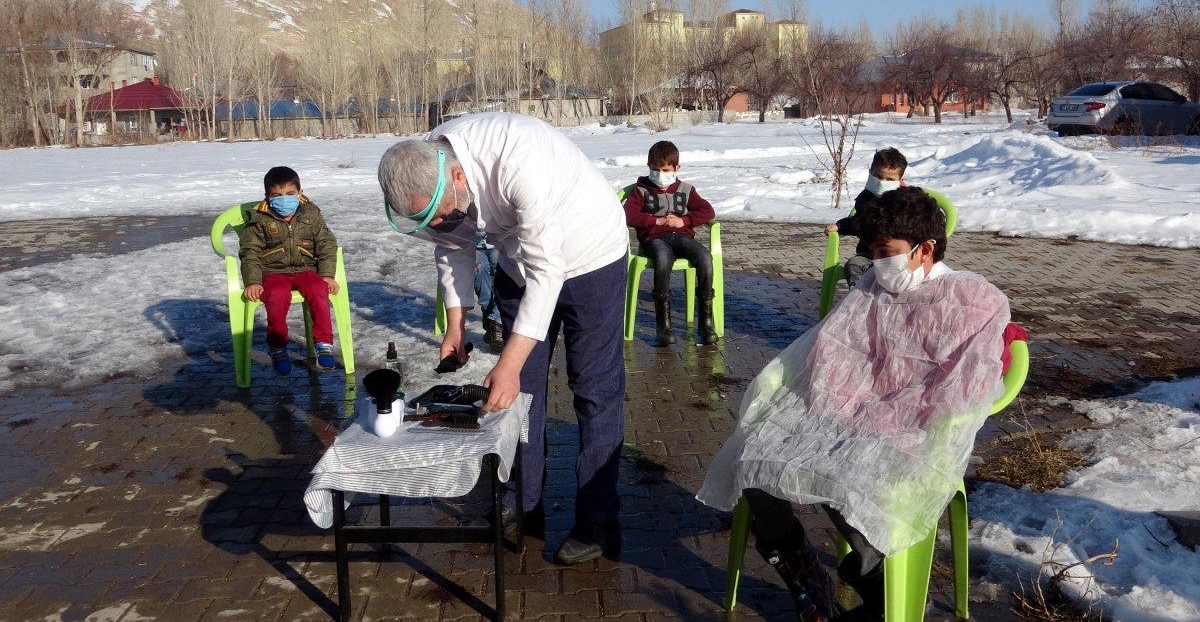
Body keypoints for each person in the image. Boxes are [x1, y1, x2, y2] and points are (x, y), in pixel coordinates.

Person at [699, 187, 1024, 621]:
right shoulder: (875, 283)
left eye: (886, 252)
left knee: (845, 475)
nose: (878, 263)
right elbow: (836, 344)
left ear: (925, 249)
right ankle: (803, 574)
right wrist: (834, 402)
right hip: (848, 412)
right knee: (754, 456)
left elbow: (965, 384)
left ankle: (882, 592)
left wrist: (891, 415)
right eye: (872, 251)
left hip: (915, 428)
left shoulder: (973, 300)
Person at [376, 112, 629, 565]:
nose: (445, 221)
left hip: (590, 256)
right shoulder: (432, 160)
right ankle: (520, 502)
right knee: (516, 395)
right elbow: (453, 246)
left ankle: (598, 520)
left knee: (595, 389)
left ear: (457, 176)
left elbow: (549, 272)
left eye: (445, 211)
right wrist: (457, 321)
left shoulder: (519, 159)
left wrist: (509, 362)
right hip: (520, 262)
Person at [238, 166, 340, 375]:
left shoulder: (311, 213)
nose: (284, 200)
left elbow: (326, 244)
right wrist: (253, 281)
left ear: (300, 193)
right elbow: (250, 251)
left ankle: (323, 344)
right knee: (276, 295)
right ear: (267, 197)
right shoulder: (259, 218)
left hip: (306, 269)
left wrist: (327, 275)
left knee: (318, 289)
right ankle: (277, 347)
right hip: (273, 272)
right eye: (277, 195)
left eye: (290, 194)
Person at [622, 140, 717, 345]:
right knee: (663, 259)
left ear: (676, 169)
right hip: (653, 240)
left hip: (681, 237)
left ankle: (706, 321)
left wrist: (685, 220)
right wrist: (656, 220)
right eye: (655, 170)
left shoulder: (686, 189)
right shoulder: (641, 191)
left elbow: (707, 211)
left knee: (705, 257)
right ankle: (663, 325)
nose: (660, 174)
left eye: (665, 170)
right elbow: (628, 214)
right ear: (649, 168)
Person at [825, 147, 908, 288]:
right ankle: (859, 296)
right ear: (870, 173)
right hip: (868, 258)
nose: (882, 182)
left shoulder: (906, 201)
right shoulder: (865, 198)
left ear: (900, 180)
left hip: (897, 258)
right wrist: (840, 226)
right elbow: (858, 221)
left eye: (889, 179)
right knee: (853, 265)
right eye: (878, 176)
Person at [474, 231, 504, 352]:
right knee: (478, 277)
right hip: (473, 245)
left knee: (505, 279)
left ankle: (496, 323)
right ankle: (492, 324)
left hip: (498, 242)